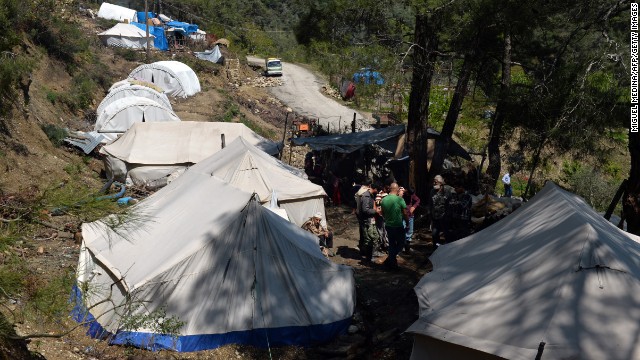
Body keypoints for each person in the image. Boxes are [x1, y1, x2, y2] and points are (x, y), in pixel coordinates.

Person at [380, 182, 409, 269]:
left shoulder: (384, 200)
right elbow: (405, 213)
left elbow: (383, 213)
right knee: (401, 244)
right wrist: (407, 223)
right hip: (398, 226)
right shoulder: (400, 199)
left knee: (392, 244)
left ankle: (391, 263)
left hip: (388, 225)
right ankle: (391, 259)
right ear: (396, 190)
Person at [358, 179, 380, 263]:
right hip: (366, 221)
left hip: (371, 220)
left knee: (374, 237)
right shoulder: (366, 196)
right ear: (374, 188)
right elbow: (365, 210)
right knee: (369, 239)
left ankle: (371, 256)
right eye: (377, 190)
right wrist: (375, 211)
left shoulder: (371, 195)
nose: (377, 192)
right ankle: (368, 258)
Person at [430, 175, 451, 245]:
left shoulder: (447, 192)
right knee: (434, 234)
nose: (434, 183)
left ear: (440, 183)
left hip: (444, 216)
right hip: (435, 217)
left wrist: (447, 215)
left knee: (446, 233)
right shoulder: (432, 192)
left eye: (435, 182)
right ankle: (435, 248)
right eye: (433, 182)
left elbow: (450, 204)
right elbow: (430, 203)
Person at [402, 186, 420, 252]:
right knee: (403, 230)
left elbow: (418, 200)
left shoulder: (412, 195)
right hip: (403, 216)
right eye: (408, 194)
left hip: (410, 216)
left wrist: (414, 207)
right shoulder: (402, 194)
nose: (409, 195)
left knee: (410, 231)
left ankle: (407, 247)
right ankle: (403, 245)